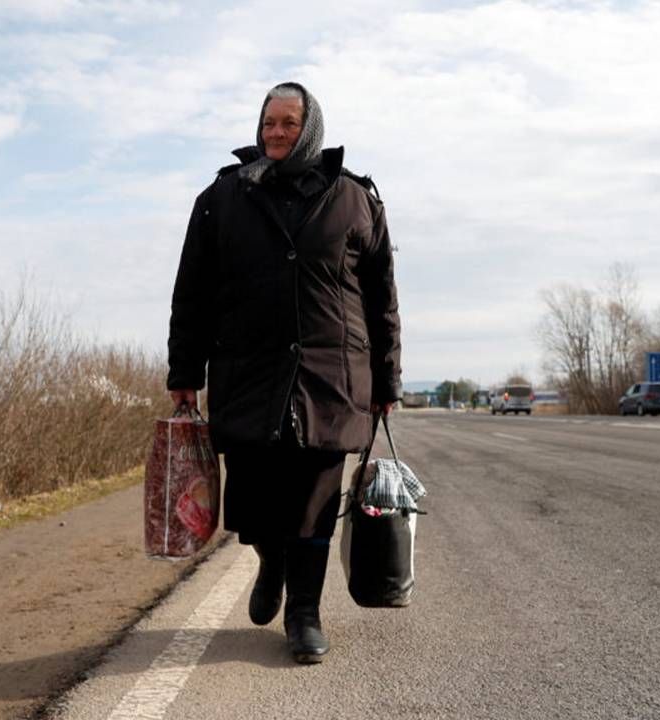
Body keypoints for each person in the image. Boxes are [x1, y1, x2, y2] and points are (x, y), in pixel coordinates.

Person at [166, 82, 401, 664]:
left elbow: (382, 299)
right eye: (269, 122)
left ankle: (304, 613)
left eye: (288, 123)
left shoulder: (354, 199)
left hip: (332, 377)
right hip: (248, 374)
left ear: (311, 128)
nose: (275, 132)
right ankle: (269, 559)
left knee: (316, 500)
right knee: (250, 500)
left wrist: (388, 380)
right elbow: (191, 294)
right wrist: (184, 371)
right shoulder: (221, 198)